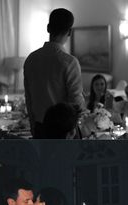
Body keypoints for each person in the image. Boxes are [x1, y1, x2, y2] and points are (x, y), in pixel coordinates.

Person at [24, 8, 86, 138]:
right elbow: (76, 104)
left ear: (48, 28)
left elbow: (29, 98)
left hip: (39, 127)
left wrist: (33, 125)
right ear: (69, 32)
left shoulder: (31, 59)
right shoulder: (69, 62)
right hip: (64, 132)